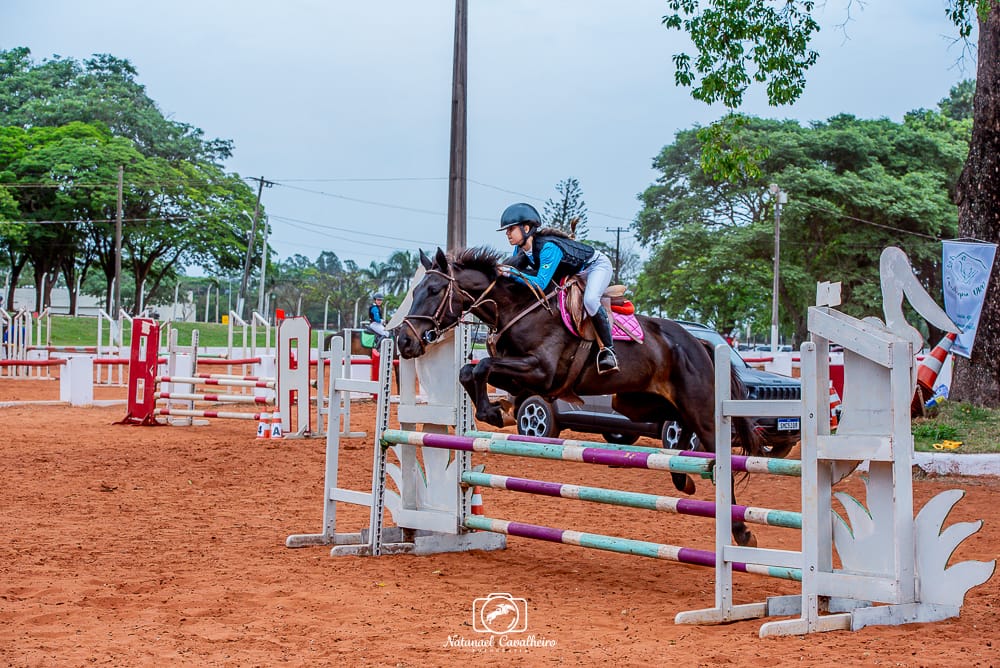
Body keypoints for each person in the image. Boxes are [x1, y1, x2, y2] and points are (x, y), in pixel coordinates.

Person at [496, 202, 619, 374]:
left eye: (511, 229)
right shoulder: (520, 249)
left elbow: (539, 283)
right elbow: (518, 273)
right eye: (507, 230)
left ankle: (608, 350)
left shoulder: (548, 248)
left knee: (590, 300)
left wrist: (512, 274)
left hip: (595, 267)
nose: (508, 234)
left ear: (526, 228)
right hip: (571, 272)